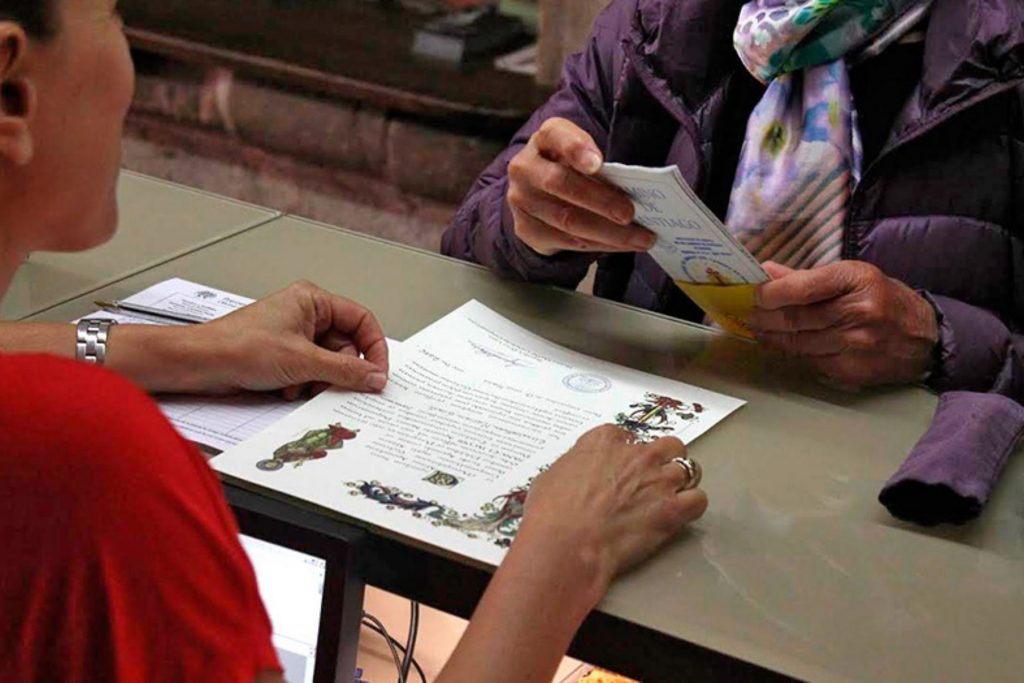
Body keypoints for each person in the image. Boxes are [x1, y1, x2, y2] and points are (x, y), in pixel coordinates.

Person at [0, 1, 709, 681]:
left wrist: (186, 351)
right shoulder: (90, 461)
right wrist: (563, 552)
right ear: (12, 91)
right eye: (115, 15)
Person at [443, 0, 1024, 398]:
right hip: (651, 446)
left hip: (906, 496)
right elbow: (472, 238)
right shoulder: (661, 20)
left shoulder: (1001, 53)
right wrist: (536, 224)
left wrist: (938, 340)